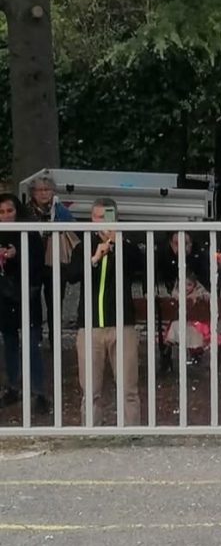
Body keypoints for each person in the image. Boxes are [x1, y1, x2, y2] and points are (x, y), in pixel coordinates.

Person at [65, 198, 142, 426]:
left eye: (106, 217)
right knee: (90, 389)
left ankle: (131, 431)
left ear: (116, 219)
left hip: (122, 325)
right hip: (90, 326)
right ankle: (91, 431)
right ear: (91, 218)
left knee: (128, 387)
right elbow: (72, 276)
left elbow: (140, 265)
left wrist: (116, 244)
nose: (101, 222)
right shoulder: (83, 247)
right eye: (97, 217)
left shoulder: (127, 247)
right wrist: (95, 258)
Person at [0, 193, 48, 412]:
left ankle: (38, 391)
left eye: (10, 211)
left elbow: (38, 264)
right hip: (4, 297)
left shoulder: (29, 233)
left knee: (31, 345)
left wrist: (18, 254)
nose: (6, 216)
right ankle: (13, 386)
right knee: (10, 343)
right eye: (1, 212)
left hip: (27, 295)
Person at [25, 173, 76, 342]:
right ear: (32, 193)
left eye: (47, 189)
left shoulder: (60, 210)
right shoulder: (25, 211)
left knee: (55, 302)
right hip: (32, 263)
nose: (43, 193)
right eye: (39, 190)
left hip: (55, 263)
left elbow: (73, 230)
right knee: (32, 301)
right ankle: (35, 339)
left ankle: (55, 340)